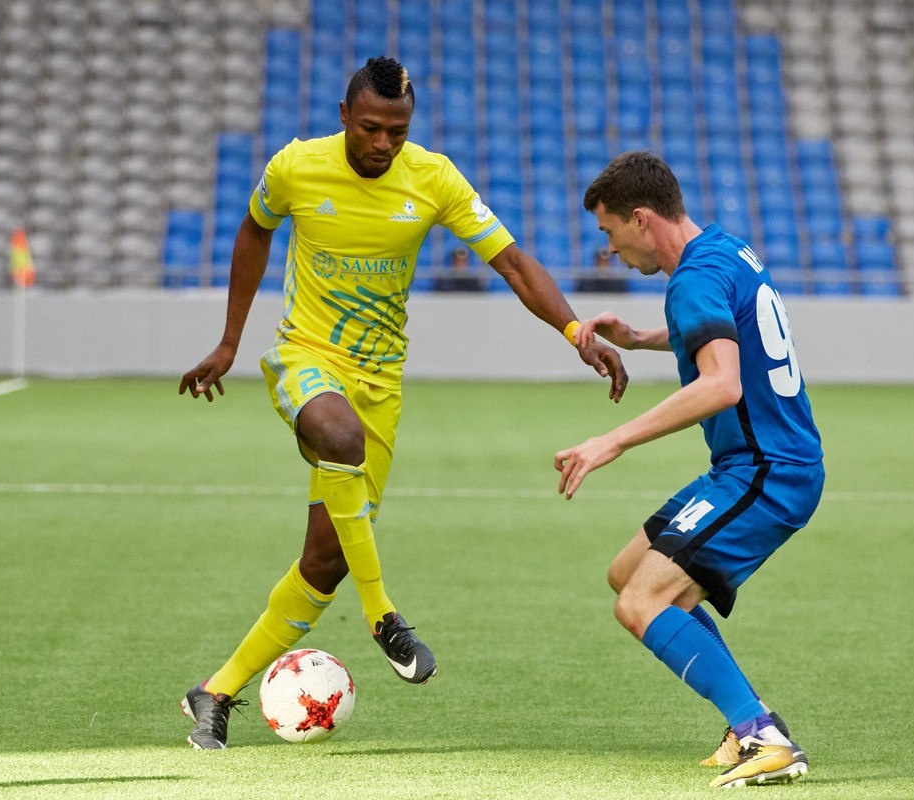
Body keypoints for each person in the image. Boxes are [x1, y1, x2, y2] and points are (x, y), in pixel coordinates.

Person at [176, 56, 628, 750]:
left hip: (380, 383)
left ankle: (215, 692)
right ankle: (382, 615)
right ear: (343, 117)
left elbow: (511, 261)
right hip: (306, 358)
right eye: (370, 128)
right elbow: (254, 229)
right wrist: (230, 341)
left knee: (324, 561)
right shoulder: (295, 167)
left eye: (397, 131)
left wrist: (575, 333)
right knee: (339, 437)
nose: (383, 143)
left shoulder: (434, 177)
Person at [554, 151, 824, 789]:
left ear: (642, 219)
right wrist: (641, 338)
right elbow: (726, 330)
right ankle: (747, 723)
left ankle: (761, 734)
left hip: (766, 472)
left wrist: (612, 441)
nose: (610, 249)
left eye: (610, 232)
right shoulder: (725, 250)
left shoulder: (691, 279)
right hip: (753, 464)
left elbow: (722, 384)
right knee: (627, 574)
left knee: (641, 601)